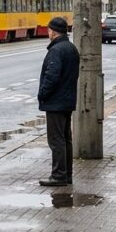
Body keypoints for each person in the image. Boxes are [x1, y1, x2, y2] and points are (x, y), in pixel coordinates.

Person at [37, 17, 80, 187]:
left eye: (49, 30)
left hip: (56, 101)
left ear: (53, 31)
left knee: (56, 140)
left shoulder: (56, 50)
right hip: (67, 99)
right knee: (65, 138)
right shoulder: (70, 48)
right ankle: (67, 174)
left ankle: (59, 175)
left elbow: (52, 76)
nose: (48, 33)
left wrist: (42, 94)